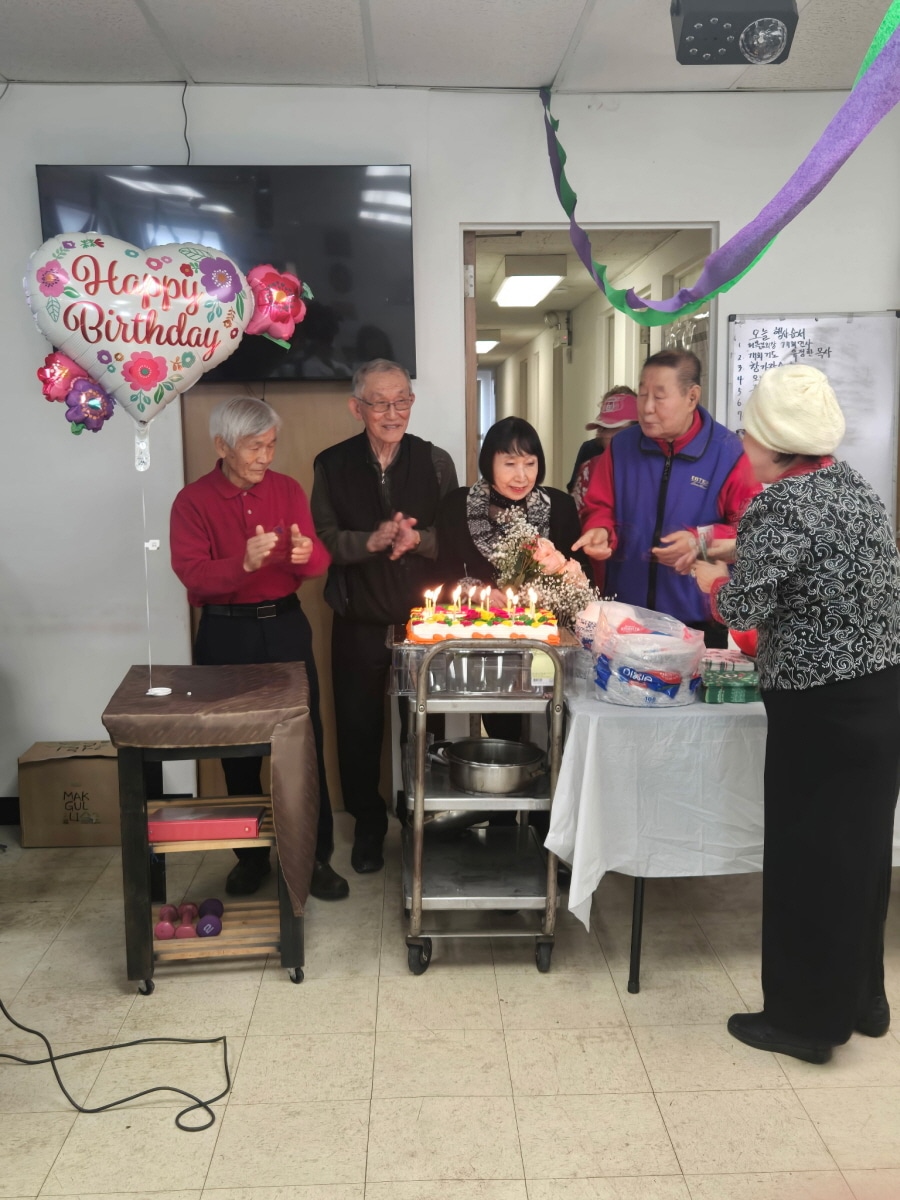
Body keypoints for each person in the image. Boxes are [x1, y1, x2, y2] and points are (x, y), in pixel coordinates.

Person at [692, 364, 900, 1064]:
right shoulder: (854, 486)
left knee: (807, 859)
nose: (742, 444)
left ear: (776, 444)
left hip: (819, 710)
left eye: (749, 433)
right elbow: (810, 561)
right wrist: (725, 547)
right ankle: (863, 1000)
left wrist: (709, 576)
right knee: (860, 858)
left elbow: (742, 607)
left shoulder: (777, 506)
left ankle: (805, 1023)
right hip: (881, 696)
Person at [169, 396, 349, 901]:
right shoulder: (192, 501)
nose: (265, 457)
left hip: (285, 626)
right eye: (254, 447)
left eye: (270, 445)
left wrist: (306, 554)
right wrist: (242, 565)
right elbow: (193, 577)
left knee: (304, 744)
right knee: (239, 751)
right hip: (225, 633)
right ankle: (250, 858)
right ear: (222, 446)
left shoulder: (287, 490)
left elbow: (316, 563)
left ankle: (315, 858)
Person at [311, 359, 458, 874]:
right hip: (358, 619)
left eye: (402, 401)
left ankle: (423, 819)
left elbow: (454, 538)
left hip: (424, 624)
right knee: (357, 729)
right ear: (357, 408)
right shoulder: (331, 465)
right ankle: (368, 826)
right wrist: (369, 541)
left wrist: (419, 540)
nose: (393, 413)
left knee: (424, 728)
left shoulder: (436, 462)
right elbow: (323, 540)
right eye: (380, 403)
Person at [574, 349, 759, 647]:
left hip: (697, 624)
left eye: (659, 397)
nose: (647, 408)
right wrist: (600, 529)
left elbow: (750, 533)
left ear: (692, 397)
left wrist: (699, 542)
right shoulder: (622, 447)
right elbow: (599, 506)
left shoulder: (728, 454)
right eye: (642, 395)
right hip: (624, 619)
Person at [436, 416, 586, 744]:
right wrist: (477, 592)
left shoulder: (560, 506)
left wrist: (554, 587)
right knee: (502, 730)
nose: (521, 476)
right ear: (489, 463)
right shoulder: (456, 507)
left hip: (545, 646)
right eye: (510, 464)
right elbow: (442, 574)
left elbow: (577, 572)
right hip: (482, 646)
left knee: (553, 733)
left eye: (530, 463)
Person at [567, 385, 638, 513]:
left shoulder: (653, 466)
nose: (603, 435)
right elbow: (577, 510)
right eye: (603, 428)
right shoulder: (589, 465)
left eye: (613, 428)